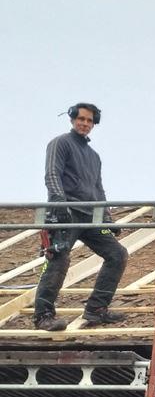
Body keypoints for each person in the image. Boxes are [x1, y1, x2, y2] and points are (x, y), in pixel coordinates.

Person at [33, 103, 128, 331]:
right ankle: (43, 316)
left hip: (90, 218)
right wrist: (59, 203)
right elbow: (52, 174)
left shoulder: (94, 157)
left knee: (117, 254)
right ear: (73, 119)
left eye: (89, 121)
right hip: (66, 213)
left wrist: (106, 217)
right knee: (59, 258)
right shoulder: (60, 143)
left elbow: (98, 188)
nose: (85, 123)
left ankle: (96, 309)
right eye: (81, 119)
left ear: (94, 124)